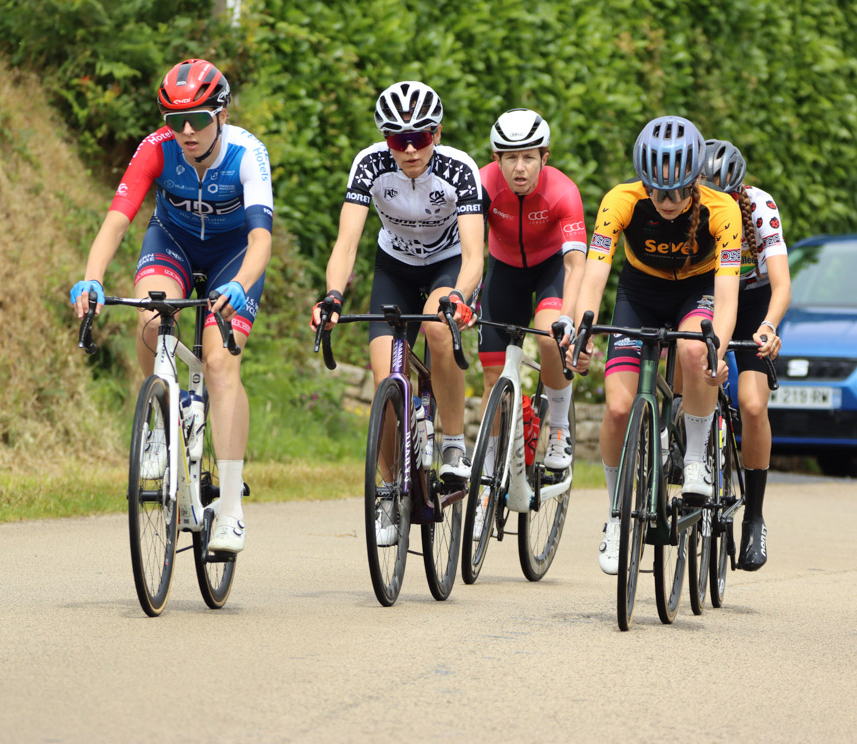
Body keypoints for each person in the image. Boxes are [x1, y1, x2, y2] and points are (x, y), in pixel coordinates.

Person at [71, 58, 274, 554]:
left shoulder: (248, 153)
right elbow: (118, 219)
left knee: (220, 363)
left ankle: (230, 509)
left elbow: (261, 240)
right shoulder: (156, 149)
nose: (186, 131)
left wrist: (241, 285)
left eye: (198, 119)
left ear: (221, 115)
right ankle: (161, 424)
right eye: (175, 120)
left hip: (234, 256)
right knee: (149, 317)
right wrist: (92, 278)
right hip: (173, 243)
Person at [310, 81, 484, 542]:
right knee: (385, 375)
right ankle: (388, 493)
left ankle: (452, 446)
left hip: (448, 264)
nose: (409, 149)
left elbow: (474, 256)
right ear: (385, 139)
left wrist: (459, 296)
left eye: (420, 137)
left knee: (437, 328)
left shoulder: (459, 169)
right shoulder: (369, 164)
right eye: (397, 139)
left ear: (437, 134)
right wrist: (332, 295)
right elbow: (346, 243)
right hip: (396, 265)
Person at [569, 115, 742, 575]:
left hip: (696, 291)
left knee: (695, 350)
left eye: (678, 191)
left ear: (696, 180)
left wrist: (718, 349)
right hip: (640, 294)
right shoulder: (620, 200)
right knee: (617, 410)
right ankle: (615, 515)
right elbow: (595, 275)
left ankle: (696, 458)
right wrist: (583, 331)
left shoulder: (723, 209)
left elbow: (727, 296)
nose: (666, 202)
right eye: (657, 191)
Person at [477, 109, 587, 479]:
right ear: (497, 159)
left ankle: (559, 429)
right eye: (511, 158)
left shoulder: (563, 191)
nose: (520, 168)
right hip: (504, 271)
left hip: (551, 270)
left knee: (547, 335)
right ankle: (487, 470)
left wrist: (569, 317)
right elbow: (469, 249)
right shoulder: (483, 185)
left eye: (528, 157)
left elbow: (575, 265)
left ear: (545, 157)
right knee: (492, 376)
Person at [699, 139, 789, 571]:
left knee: (752, 405)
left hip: (753, 298)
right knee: (689, 354)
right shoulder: (683, 203)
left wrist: (768, 326)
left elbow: (782, 283)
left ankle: (754, 514)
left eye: (726, 195)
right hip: (707, 292)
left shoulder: (759, 206)